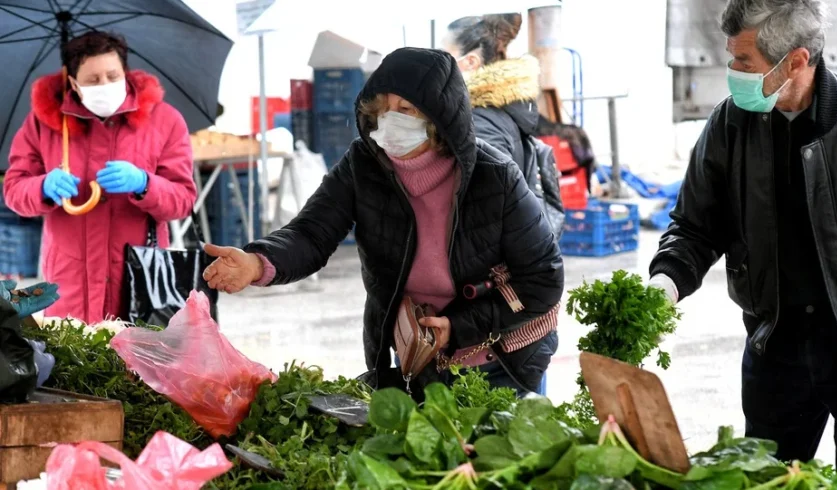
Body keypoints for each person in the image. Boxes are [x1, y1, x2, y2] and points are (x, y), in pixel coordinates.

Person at [202, 47, 563, 395]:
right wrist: (257, 262)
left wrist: (458, 327)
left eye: (405, 109)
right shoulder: (364, 164)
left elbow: (544, 278)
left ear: (440, 117)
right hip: (416, 350)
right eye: (383, 108)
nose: (391, 120)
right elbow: (313, 232)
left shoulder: (494, 176)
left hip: (497, 355)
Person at [648, 0, 837, 470]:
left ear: (796, 62)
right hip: (776, 347)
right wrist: (664, 284)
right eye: (731, 58)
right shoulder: (730, 124)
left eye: (744, 62)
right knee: (768, 477)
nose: (733, 71)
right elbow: (693, 226)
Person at [4, 31, 196, 324]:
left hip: (138, 280)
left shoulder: (165, 120)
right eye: (92, 80)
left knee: (137, 364)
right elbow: (15, 191)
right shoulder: (45, 124)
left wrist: (146, 184)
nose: (104, 85)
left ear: (125, 73)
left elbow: (182, 200)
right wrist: (41, 187)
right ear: (73, 84)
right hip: (69, 282)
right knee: (75, 363)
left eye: (112, 75)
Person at [443, 13, 564, 236]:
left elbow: (488, 209)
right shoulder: (503, 108)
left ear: (470, 62)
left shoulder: (479, 122)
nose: (439, 67)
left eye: (444, 57)